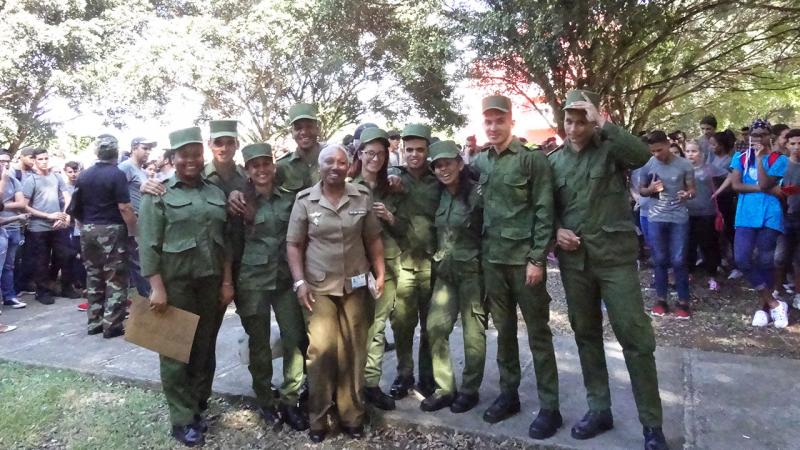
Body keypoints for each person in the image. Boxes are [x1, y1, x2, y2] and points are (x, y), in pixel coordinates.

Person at [549, 90, 668, 450]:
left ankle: (652, 425)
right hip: (576, 264)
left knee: (635, 338)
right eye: (569, 120)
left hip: (615, 260)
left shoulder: (612, 149)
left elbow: (641, 155)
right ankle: (599, 408)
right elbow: (545, 208)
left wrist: (603, 121)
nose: (574, 127)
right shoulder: (553, 163)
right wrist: (556, 230)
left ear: (593, 119)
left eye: (581, 119)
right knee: (586, 335)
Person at [471, 95, 560, 437]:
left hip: (525, 263)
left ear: (511, 122)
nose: (493, 127)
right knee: (504, 332)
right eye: (488, 122)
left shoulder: (531, 161)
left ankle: (550, 407)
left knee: (538, 333)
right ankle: (509, 395)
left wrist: (538, 258)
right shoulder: (481, 163)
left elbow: (544, 210)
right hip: (493, 261)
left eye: (499, 121)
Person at [139, 126, 233, 447]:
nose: (191, 160)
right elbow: (148, 243)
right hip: (175, 285)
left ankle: (198, 403)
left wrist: (226, 281)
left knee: (204, 349)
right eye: (184, 155)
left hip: (209, 284)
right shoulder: (158, 192)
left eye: (196, 154)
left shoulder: (215, 192)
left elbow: (224, 244)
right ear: (173, 157)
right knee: (174, 350)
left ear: (202, 154)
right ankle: (181, 419)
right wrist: (156, 287)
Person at [286, 144, 385, 443]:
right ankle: (318, 418)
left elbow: (372, 238)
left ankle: (352, 415)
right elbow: (294, 244)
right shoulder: (305, 200)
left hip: (355, 285)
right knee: (321, 352)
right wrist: (299, 282)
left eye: (342, 162)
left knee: (355, 350)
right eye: (329, 161)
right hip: (318, 287)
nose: (335, 167)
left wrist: (380, 272)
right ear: (320, 166)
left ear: (349, 166)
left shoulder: (361, 196)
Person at [233, 143, 308, 430]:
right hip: (252, 283)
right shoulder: (240, 204)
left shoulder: (289, 198)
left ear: (273, 166)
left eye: (266, 164)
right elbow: (233, 246)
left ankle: (291, 398)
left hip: (285, 279)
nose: (261, 170)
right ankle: (265, 400)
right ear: (247, 171)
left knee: (295, 337)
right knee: (259, 344)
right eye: (255, 166)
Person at [422, 140, 486, 413]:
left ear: (460, 163)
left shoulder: (477, 194)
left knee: (474, 335)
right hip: (445, 273)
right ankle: (445, 387)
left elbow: (489, 231)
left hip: (473, 272)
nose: (443, 169)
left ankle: (470, 389)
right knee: (435, 327)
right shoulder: (437, 194)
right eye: (437, 165)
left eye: (448, 162)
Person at [350, 127, 406, 411]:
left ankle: (371, 384)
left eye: (380, 154)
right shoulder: (347, 186)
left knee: (378, 328)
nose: (375, 158)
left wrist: (391, 217)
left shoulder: (393, 184)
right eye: (369, 153)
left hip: (388, 265)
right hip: (356, 267)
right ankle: (353, 386)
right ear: (359, 154)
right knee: (357, 328)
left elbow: (407, 228)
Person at [388, 123, 438, 400]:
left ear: (428, 150)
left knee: (430, 324)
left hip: (432, 263)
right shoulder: (394, 178)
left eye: (420, 149)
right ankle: (404, 374)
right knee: (403, 324)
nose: (414, 154)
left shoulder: (438, 179)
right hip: (404, 264)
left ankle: (427, 376)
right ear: (402, 150)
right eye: (409, 149)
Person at [70, 135, 137, 338]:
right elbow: (124, 207)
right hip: (112, 229)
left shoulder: (84, 175)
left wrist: (87, 224)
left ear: (96, 152)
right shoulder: (116, 174)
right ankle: (113, 325)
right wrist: (135, 230)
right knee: (115, 278)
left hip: (88, 229)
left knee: (93, 276)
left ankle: (94, 322)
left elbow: (74, 208)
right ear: (116, 152)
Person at [729, 119, 788, 328]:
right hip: (745, 215)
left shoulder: (779, 159)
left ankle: (762, 308)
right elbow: (736, 185)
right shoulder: (740, 158)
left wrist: (761, 159)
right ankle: (774, 303)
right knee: (742, 259)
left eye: (762, 134)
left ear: (769, 136)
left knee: (765, 262)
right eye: (754, 134)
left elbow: (764, 181)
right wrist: (764, 189)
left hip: (770, 215)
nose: (757, 138)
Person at [640, 131, 696, 318]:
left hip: (679, 217)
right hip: (656, 217)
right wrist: (650, 189)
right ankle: (661, 299)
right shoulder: (648, 164)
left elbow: (692, 189)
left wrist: (687, 194)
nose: (657, 154)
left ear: (667, 144)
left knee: (679, 260)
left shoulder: (684, 164)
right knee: (660, 259)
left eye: (659, 149)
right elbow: (641, 190)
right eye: (653, 151)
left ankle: (683, 301)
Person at [22, 148, 77, 304]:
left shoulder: (56, 177)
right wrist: (48, 215)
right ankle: (42, 291)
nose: (44, 161)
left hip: (58, 225)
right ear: (34, 161)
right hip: (38, 227)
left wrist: (64, 214)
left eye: (46, 158)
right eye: (40, 159)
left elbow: (67, 197)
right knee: (41, 260)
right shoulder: (31, 180)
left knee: (66, 255)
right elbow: (25, 206)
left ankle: (66, 287)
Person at [685, 140, 727, 291]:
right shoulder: (682, 168)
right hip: (687, 213)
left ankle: (712, 275)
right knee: (688, 244)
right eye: (688, 151)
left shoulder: (710, 168)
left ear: (702, 153)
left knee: (709, 245)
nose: (690, 154)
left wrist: (717, 191)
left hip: (707, 213)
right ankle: (689, 272)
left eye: (694, 151)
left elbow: (730, 176)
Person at [120, 137, 157, 299]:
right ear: (134, 148)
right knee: (139, 263)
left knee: (143, 262)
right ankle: (148, 299)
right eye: (144, 148)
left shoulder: (141, 171)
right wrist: (133, 227)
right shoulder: (125, 168)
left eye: (149, 149)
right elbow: (119, 199)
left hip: (142, 222)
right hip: (131, 224)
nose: (147, 152)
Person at [0, 151, 28, 309]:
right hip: (3, 225)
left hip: (12, 228)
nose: (5, 164)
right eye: (1, 161)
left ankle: (9, 296)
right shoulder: (5, 180)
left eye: (7, 161)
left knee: (9, 265)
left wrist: (4, 204)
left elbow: (21, 204)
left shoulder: (13, 180)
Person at [781, 129, 800, 308]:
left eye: (799, 143)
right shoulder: (782, 165)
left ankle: (798, 294)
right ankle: (776, 292)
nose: (796, 147)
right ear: (786, 145)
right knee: (780, 257)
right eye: (793, 143)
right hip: (785, 216)